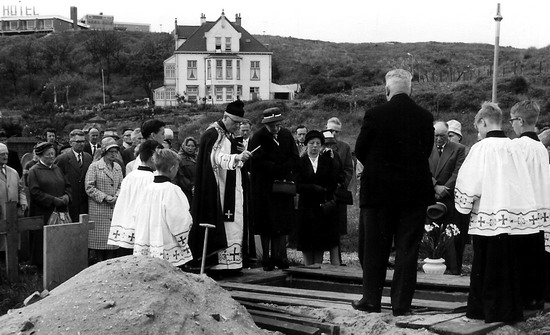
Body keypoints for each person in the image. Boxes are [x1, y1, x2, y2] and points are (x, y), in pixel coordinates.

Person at [353, 69, 434, 316]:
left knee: (375, 248)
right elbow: (427, 150)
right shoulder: (424, 116)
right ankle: (401, 305)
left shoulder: (374, 114)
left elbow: (361, 150)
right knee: (407, 250)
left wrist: (379, 169)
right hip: (413, 193)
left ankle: (371, 300)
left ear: (387, 90)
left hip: (378, 192)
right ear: (411, 89)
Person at [455, 102, 538, 323]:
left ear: (483, 122)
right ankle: (506, 310)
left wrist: (465, 204)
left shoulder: (481, 148)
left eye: (477, 126)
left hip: (487, 216)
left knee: (486, 265)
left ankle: (483, 310)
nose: (478, 131)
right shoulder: (514, 146)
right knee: (507, 265)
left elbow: (469, 182)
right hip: (511, 219)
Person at [189, 100, 252, 272]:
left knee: (234, 221)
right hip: (217, 187)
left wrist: (239, 151)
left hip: (231, 184)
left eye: (240, 123)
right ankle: (216, 265)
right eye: (235, 123)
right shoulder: (213, 133)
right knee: (222, 222)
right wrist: (236, 158)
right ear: (225, 117)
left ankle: (232, 263)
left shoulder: (228, 134)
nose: (237, 126)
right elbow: (215, 157)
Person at [509, 100, 550, 310]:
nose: (511, 125)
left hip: (521, 210)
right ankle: (536, 298)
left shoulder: (516, 147)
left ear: (521, 120)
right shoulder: (541, 147)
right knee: (537, 256)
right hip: (541, 208)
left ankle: (523, 299)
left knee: (521, 259)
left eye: (512, 120)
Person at [249, 107, 299, 271]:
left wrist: (285, 168)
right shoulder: (258, 137)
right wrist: (275, 167)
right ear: (266, 124)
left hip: (283, 187)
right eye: (272, 126)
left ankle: (280, 256)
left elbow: (294, 156)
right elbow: (255, 161)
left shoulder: (286, 135)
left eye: (278, 125)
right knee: (266, 224)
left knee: (282, 222)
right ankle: (267, 259)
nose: (276, 129)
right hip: (265, 188)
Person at [133, 149, 193, 267]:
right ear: (172, 168)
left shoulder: (147, 189)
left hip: (146, 241)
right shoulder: (172, 190)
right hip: (167, 243)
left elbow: (136, 215)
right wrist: (184, 235)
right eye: (176, 168)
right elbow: (179, 219)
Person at [428, 121, 466, 275]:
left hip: (448, 197)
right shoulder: (426, 148)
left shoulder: (459, 149)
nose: (438, 139)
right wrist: (435, 185)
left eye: (442, 136)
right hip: (431, 195)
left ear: (448, 134)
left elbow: (458, 172)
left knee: (450, 234)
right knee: (430, 233)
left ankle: (453, 268)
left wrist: (443, 190)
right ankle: (431, 264)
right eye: (436, 135)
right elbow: (423, 168)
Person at [108, 140, 159, 253]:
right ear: (152, 158)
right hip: (141, 230)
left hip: (125, 227)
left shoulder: (130, 176)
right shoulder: (152, 179)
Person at [295, 130, 338, 265]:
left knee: (320, 241)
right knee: (306, 241)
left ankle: (318, 266)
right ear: (306, 144)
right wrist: (312, 188)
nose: (315, 146)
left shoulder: (327, 162)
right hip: (306, 206)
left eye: (318, 143)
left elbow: (333, 181)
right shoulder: (300, 162)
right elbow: (297, 184)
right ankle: (307, 266)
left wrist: (325, 190)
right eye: (312, 143)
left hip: (321, 206)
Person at [28, 142, 71, 266]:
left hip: (60, 210)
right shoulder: (34, 171)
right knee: (43, 239)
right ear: (40, 156)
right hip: (43, 211)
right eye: (48, 154)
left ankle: (58, 262)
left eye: (53, 154)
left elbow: (67, 185)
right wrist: (52, 200)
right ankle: (42, 266)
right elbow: (34, 192)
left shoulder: (57, 168)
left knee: (59, 238)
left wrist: (67, 196)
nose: (52, 157)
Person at [85, 137, 124, 263]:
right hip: (99, 210)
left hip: (114, 209)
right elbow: (89, 187)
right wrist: (105, 197)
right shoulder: (94, 167)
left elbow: (121, 185)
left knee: (112, 244)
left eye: (115, 152)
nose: (113, 154)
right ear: (104, 152)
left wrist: (117, 196)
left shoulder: (118, 167)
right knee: (100, 244)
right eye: (110, 151)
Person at [325, 117, 354, 265]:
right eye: (330, 130)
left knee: (337, 227)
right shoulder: (320, 144)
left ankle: (336, 259)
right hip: (323, 192)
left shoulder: (345, 147)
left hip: (338, 192)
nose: (333, 134)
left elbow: (349, 169)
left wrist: (341, 183)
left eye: (336, 131)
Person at [55, 129, 93, 223]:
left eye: (83, 141)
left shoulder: (88, 157)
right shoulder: (62, 159)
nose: (81, 144)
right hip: (70, 201)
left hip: (84, 201)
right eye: (78, 142)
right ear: (70, 143)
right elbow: (57, 179)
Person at [0, 143, 28, 251]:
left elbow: (21, 189)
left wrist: (23, 201)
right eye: (2, 154)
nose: (5, 156)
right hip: (1, 211)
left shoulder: (13, 172)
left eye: (6, 154)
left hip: (12, 213)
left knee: (11, 241)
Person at [175, 137, 198, 204]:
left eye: (192, 146)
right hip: (186, 189)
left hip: (197, 188)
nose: (190, 148)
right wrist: (191, 186)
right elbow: (180, 175)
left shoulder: (197, 158)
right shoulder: (179, 158)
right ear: (184, 146)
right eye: (188, 146)